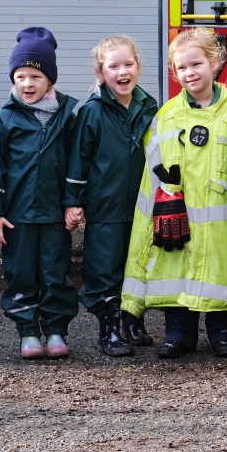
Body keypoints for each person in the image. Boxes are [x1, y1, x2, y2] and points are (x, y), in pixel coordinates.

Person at [122, 27, 227, 360]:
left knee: (222, 270)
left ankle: (223, 331)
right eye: (182, 68)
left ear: (215, 62)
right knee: (173, 270)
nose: (190, 73)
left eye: (196, 64)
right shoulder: (166, 117)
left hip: (221, 218)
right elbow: (151, 179)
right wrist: (157, 209)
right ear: (174, 73)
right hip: (174, 219)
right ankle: (179, 332)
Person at [0, 27, 81, 361]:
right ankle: (27, 332)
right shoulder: (5, 120)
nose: (27, 84)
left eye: (36, 76)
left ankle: (55, 329)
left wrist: (72, 202)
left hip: (55, 214)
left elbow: (75, 162)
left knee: (56, 272)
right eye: (21, 76)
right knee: (21, 273)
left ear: (50, 80)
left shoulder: (68, 117)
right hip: (17, 216)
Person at [66, 35, 159, 357]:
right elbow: (79, 160)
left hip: (143, 206)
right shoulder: (92, 111)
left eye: (128, 64)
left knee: (139, 265)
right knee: (103, 268)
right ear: (100, 72)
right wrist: (73, 201)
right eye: (113, 66)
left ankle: (133, 319)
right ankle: (109, 328)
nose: (122, 72)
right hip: (105, 207)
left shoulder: (150, 108)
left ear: (138, 67)